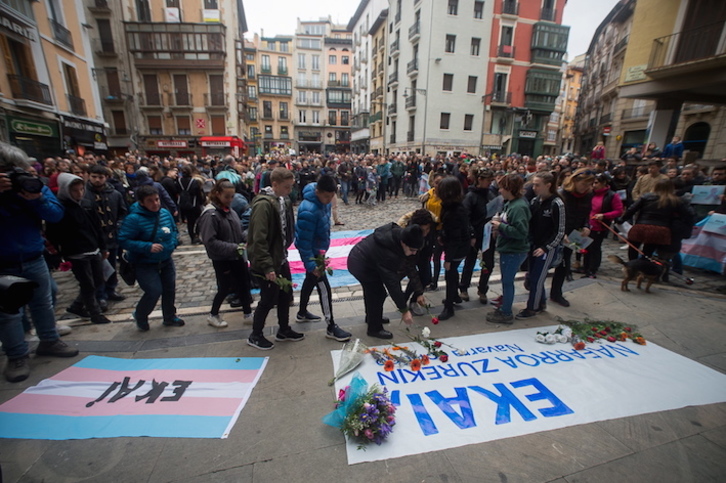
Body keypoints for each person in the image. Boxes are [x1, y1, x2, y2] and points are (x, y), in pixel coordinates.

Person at [0, 143, 78, 382]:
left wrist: (35, 199)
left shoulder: (32, 185)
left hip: (34, 256)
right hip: (3, 261)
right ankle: (17, 356)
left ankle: (49, 340)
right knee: (9, 313)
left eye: (17, 169)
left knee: (43, 302)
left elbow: (55, 214)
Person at [247, 167, 303, 350]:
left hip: (281, 257)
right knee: (268, 299)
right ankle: (255, 335)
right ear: (275, 184)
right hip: (268, 261)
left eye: (291, 187)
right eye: (287, 187)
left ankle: (284, 329)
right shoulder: (263, 204)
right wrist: (267, 266)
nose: (290, 191)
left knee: (285, 295)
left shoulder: (282, 200)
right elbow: (258, 238)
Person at [46, 173, 111, 325]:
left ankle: (77, 305)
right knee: (87, 283)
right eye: (75, 190)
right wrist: (59, 253)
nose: (79, 193)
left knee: (98, 280)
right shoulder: (60, 208)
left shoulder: (87, 204)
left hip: (92, 248)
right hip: (75, 252)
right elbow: (53, 234)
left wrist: (103, 246)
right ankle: (95, 313)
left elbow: (96, 227)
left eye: (81, 189)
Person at [294, 175, 352, 342]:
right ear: (317, 191)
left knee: (309, 281)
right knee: (324, 288)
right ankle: (331, 325)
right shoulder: (308, 210)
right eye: (326, 197)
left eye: (331, 197)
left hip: (319, 251)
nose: (329, 200)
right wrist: (312, 264)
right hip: (313, 255)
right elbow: (303, 242)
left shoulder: (323, 202)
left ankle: (302, 312)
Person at [118, 185, 183, 331]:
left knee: (169, 289)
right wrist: (147, 246)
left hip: (165, 260)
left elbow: (173, 231)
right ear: (142, 202)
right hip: (145, 262)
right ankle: (141, 315)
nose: (155, 204)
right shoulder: (134, 219)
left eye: (157, 199)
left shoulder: (165, 213)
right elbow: (123, 239)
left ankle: (169, 316)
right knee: (154, 290)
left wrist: (172, 243)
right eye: (150, 201)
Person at [348, 223, 426, 339]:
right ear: (403, 243)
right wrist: (404, 310)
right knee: (378, 293)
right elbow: (392, 283)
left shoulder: (400, 238)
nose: (414, 253)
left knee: (373, 292)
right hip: (360, 264)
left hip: (367, 260)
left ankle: (372, 317)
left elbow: (410, 266)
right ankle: (374, 329)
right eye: (412, 250)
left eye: (416, 250)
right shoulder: (389, 254)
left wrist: (419, 292)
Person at [197, 179, 253, 328]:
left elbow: (239, 231)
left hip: (236, 255)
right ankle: (213, 314)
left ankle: (248, 313)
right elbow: (210, 241)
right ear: (217, 194)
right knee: (225, 287)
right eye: (226, 197)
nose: (229, 200)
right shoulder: (211, 214)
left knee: (243, 283)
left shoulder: (231, 211)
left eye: (232, 197)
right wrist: (234, 247)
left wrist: (247, 238)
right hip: (222, 258)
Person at [516, 172, 565, 319]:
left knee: (537, 279)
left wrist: (546, 247)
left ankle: (533, 308)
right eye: (533, 184)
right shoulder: (535, 201)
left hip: (546, 248)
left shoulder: (557, 203)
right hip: (533, 244)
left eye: (538, 185)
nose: (534, 187)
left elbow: (560, 230)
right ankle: (541, 301)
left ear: (548, 185)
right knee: (533, 277)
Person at [487, 174, 530, 324]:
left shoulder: (518, 207)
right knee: (506, 280)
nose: (499, 191)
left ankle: (506, 313)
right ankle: (505, 307)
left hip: (514, 251)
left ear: (509, 189)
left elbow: (521, 232)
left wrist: (501, 226)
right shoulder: (511, 203)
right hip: (508, 249)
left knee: (507, 282)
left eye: (502, 187)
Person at [549, 168, 594, 307]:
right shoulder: (563, 195)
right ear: (575, 181)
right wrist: (561, 232)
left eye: (588, 185)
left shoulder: (587, 196)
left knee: (564, 262)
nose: (586, 188)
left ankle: (556, 293)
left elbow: (586, 213)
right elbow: (555, 216)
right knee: (547, 260)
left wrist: (587, 226)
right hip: (557, 232)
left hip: (573, 234)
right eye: (584, 184)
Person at [619, 179, 693, 262]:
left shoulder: (646, 197)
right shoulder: (676, 201)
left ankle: (632, 265)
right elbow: (689, 214)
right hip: (660, 229)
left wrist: (621, 220)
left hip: (641, 226)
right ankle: (644, 266)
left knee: (633, 248)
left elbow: (631, 210)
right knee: (648, 252)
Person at [84, 165, 127, 306]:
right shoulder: (85, 194)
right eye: (94, 177)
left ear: (106, 178)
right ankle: (100, 294)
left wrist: (119, 226)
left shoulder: (114, 194)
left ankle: (111, 289)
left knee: (112, 265)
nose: (97, 180)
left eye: (100, 177)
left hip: (111, 235)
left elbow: (122, 212)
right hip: (94, 238)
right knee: (97, 268)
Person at [459, 167, 500, 304]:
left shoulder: (491, 194)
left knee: (488, 263)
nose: (489, 183)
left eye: (491, 180)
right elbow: (465, 217)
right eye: (487, 180)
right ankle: (463, 287)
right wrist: (471, 234)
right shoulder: (470, 196)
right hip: (474, 235)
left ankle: (482, 289)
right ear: (480, 180)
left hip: (488, 235)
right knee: (470, 262)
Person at [436, 176, 472, 321]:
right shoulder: (452, 207)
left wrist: (448, 259)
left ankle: (449, 307)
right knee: (453, 272)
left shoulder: (454, 212)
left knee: (450, 275)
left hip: (457, 248)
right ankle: (455, 297)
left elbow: (455, 238)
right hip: (458, 244)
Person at [583, 173, 623, 278]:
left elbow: (618, 211)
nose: (593, 185)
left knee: (594, 248)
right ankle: (585, 268)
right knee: (584, 247)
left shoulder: (612, 195)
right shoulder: (589, 193)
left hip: (599, 226)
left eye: (596, 183)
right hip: (586, 225)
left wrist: (604, 215)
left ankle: (592, 270)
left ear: (604, 183)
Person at [177, 165, 205, 244]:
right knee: (199, 220)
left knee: (190, 222)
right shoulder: (194, 182)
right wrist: (201, 201)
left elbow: (177, 191)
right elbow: (198, 193)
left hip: (184, 204)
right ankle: (197, 234)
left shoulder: (179, 181)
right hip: (194, 203)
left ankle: (192, 237)